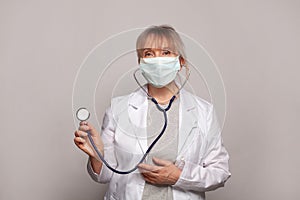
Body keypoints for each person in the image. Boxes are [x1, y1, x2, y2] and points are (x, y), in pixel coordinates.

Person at [74, 25, 231, 200]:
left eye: (166, 53)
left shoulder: (204, 112)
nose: (157, 60)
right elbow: (107, 175)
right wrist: (97, 155)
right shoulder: (118, 109)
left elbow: (220, 172)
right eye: (149, 54)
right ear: (141, 63)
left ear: (180, 62)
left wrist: (179, 177)